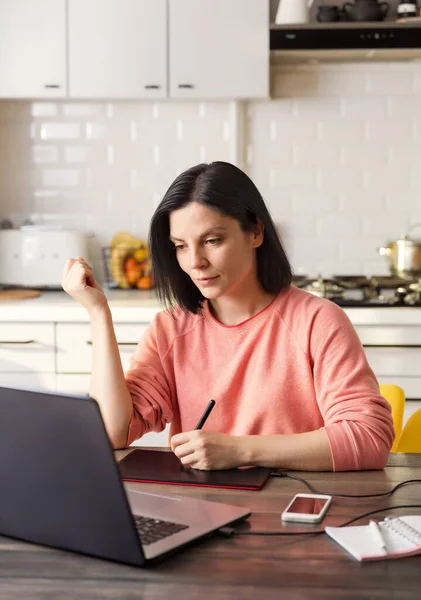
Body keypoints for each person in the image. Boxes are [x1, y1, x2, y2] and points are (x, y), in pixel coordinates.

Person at [62, 161, 394, 472]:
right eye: (180, 246)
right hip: (204, 513)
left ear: (256, 233)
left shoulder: (318, 321)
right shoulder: (170, 330)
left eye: (212, 240)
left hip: (294, 511)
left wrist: (240, 450)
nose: (195, 262)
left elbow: (368, 438)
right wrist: (97, 312)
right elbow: (112, 433)